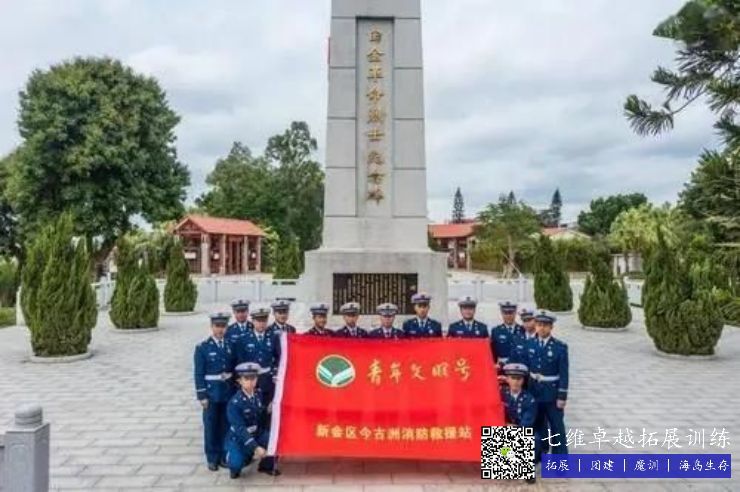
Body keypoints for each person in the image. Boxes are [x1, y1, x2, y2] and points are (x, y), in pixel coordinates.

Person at [193, 312, 236, 471]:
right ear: (211, 327)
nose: (220, 329)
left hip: (227, 392)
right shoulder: (203, 348)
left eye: (223, 326)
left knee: (225, 425)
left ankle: (224, 456)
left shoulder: (230, 345)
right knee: (211, 426)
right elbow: (199, 373)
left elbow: (234, 369)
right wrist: (202, 395)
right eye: (217, 326)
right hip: (211, 393)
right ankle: (212, 457)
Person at [225, 362, 280, 479]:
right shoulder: (234, 403)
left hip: (256, 433)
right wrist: (256, 447)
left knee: (275, 441)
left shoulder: (258, 394)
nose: (250, 382)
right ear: (239, 381)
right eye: (246, 379)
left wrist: (267, 409)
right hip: (239, 437)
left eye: (253, 378)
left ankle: (265, 466)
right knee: (236, 463)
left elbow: (258, 412)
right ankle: (234, 463)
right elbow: (240, 429)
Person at [528, 310, 569, 458]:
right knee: (537, 424)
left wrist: (562, 396)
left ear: (551, 327)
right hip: (534, 391)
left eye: (545, 325)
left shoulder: (560, 347)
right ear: (535, 325)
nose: (542, 328)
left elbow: (564, 373)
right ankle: (539, 453)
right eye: (539, 324)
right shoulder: (530, 344)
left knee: (557, 427)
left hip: (552, 393)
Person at [501, 362, 538, 484]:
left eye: (519, 379)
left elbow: (527, 422)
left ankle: (527, 468)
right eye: (512, 378)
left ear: (523, 380)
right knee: (500, 436)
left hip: (522, 429)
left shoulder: (529, 399)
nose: (516, 382)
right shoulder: (502, 395)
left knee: (534, 439)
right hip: (505, 427)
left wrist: (513, 428)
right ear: (507, 379)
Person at [239, 307, 279, 405]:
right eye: (258, 321)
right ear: (253, 321)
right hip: (251, 381)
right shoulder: (244, 339)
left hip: (268, 381)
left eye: (264, 321)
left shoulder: (273, 337)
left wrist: (274, 373)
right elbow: (240, 360)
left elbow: (278, 357)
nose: (261, 324)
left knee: (268, 409)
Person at [490, 301, 524, 368]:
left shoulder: (522, 330)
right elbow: (493, 353)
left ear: (515, 313)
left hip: (519, 367)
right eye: (505, 313)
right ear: (502, 313)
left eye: (511, 313)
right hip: (502, 367)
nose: (508, 316)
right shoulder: (496, 331)